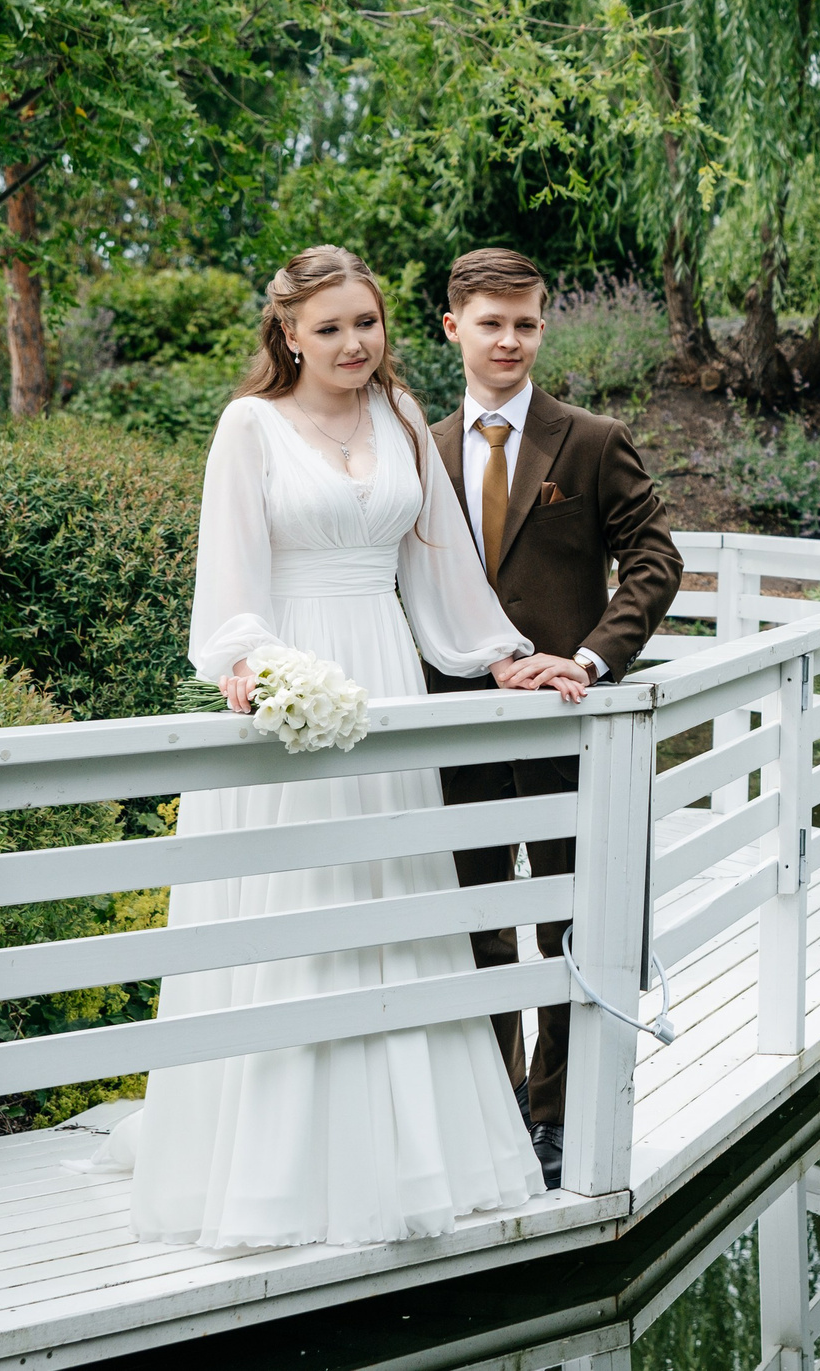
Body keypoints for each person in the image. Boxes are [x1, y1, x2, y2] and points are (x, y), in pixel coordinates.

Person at [119, 245, 582, 1248]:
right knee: (305, 916)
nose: (351, 344)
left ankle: (422, 1160)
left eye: (365, 323)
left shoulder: (403, 419)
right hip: (294, 691)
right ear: (287, 335)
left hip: (389, 686)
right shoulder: (249, 428)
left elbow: (443, 569)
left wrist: (504, 657)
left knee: (400, 914)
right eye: (327, 328)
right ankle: (273, 1180)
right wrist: (253, 667)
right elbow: (228, 581)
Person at [425, 248, 683, 1189]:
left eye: (526, 323)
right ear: (452, 327)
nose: (509, 340)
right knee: (479, 924)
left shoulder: (591, 440)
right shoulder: (424, 445)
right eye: (490, 322)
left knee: (570, 924)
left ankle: (554, 1117)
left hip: (570, 726)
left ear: (543, 326)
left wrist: (586, 658)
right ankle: (492, 1105)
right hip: (453, 727)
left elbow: (655, 561)